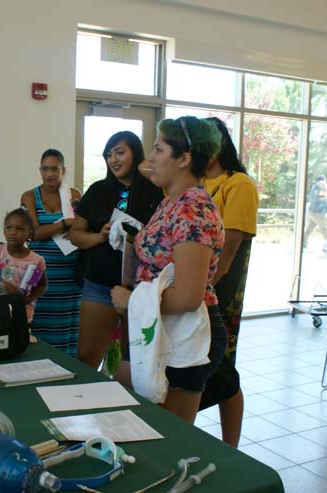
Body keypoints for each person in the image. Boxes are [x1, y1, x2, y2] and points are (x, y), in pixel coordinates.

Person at [111, 116, 226, 424]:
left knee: (164, 436)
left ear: (184, 158)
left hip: (183, 332)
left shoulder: (193, 211)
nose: (149, 157)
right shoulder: (172, 200)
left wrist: (131, 302)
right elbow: (147, 169)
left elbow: (188, 297)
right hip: (155, 324)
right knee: (128, 415)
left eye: (159, 149)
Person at [69, 131, 163, 369]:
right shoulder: (98, 190)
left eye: (120, 152)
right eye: (109, 155)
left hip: (143, 289)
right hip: (100, 285)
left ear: (136, 154)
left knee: (134, 361)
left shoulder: (155, 191)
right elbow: (75, 235)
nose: (114, 160)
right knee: (87, 357)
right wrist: (99, 236)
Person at [198, 117, 259, 447]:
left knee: (222, 366)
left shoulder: (239, 184)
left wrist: (203, 288)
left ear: (223, 143)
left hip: (220, 286)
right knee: (207, 366)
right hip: (196, 286)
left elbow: (231, 246)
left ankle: (230, 445)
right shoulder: (196, 183)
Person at [21, 149, 82, 356]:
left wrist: (69, 226)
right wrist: (65, 223)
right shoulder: (30, 196)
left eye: (54, 169)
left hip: (70, 279)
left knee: (69, 338)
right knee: (40, 338)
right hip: (44, 279)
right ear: (40, 170)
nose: (50, 174)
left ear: (63, 170)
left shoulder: (73, 195)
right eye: (45, 169)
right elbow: (33, 233)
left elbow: (81, 229)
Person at [0, 208, 48, 324]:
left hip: (23, 312)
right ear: (4, 231)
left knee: (19, 340)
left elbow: (42, 285)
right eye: (9, 228)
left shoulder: (36, 261)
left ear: (29, 233)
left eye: (19, 228)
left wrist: (27, 300)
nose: (13, 232)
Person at [304, 175, 327, 248]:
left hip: (313, 211)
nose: (325, 183)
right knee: (323, 228)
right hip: (317, 212)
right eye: (324, 181)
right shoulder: (316, 189)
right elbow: (326, 192)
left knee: (310, 227)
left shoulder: (315, 188)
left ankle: (303, 242)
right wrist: (324, 184)